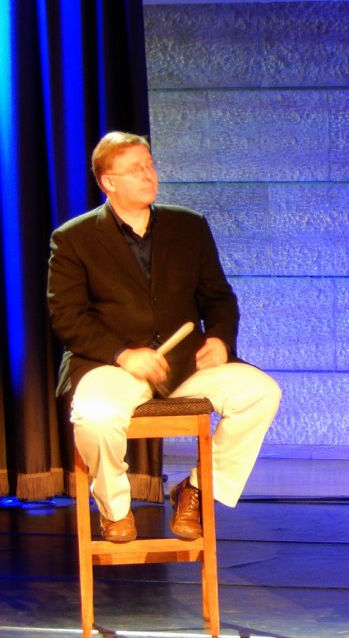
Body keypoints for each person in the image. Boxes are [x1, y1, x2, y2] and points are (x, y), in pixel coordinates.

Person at [48, 131, 282, 543]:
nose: (148, 175)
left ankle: (195, 489)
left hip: (182, 366)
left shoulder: (188, 226)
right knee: (96, 418)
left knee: (261, 392)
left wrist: (221, 340)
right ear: (108, 181)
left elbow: (218, 298)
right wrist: (122, 354)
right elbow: (68, 318)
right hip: (110, 366)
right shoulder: (74, 238)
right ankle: (116, 508)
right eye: (135, 170)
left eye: (149, 165)